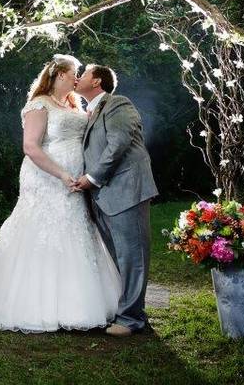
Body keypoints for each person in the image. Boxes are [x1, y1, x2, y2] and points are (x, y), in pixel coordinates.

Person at [0, 54, 121, 333]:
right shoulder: (38, 104)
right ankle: (35, 304)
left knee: (75, 230)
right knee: (42, 229)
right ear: (59, 75)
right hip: (46, 178)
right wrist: (61, 174)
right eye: (74, 72)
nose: (77, 76)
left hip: (76, 182)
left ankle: (79, 302)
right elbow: (31, 147)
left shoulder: (75, 104)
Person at [71, 64, 159, 336]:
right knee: (118, 257)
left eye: (82, 74)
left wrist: (93, 177)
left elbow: (119, 142)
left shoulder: (117, 103)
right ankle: (129, 311)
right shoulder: (90, 112)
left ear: (96, 80)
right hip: (104, 196)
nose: (77, 78)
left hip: (126, 189)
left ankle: (132, 320)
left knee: (133, 256)